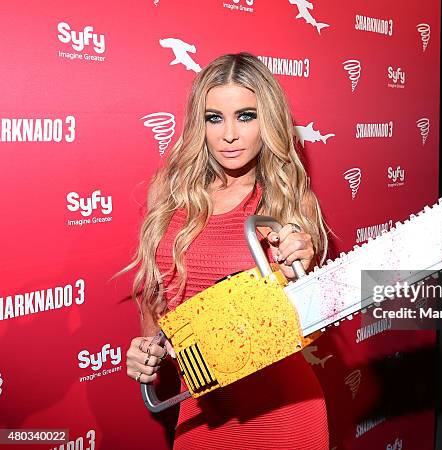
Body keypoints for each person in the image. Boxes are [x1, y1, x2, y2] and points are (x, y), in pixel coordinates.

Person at [122, 52, 330, 449]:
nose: (229, 134)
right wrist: (147, 351)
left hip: (283, 409)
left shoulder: (289, 201)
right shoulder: (168, 192)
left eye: (246, 116)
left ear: (267, 120)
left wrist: (303, 269)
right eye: (214, 117)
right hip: (201, 410)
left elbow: (311, 324)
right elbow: (156, 301)